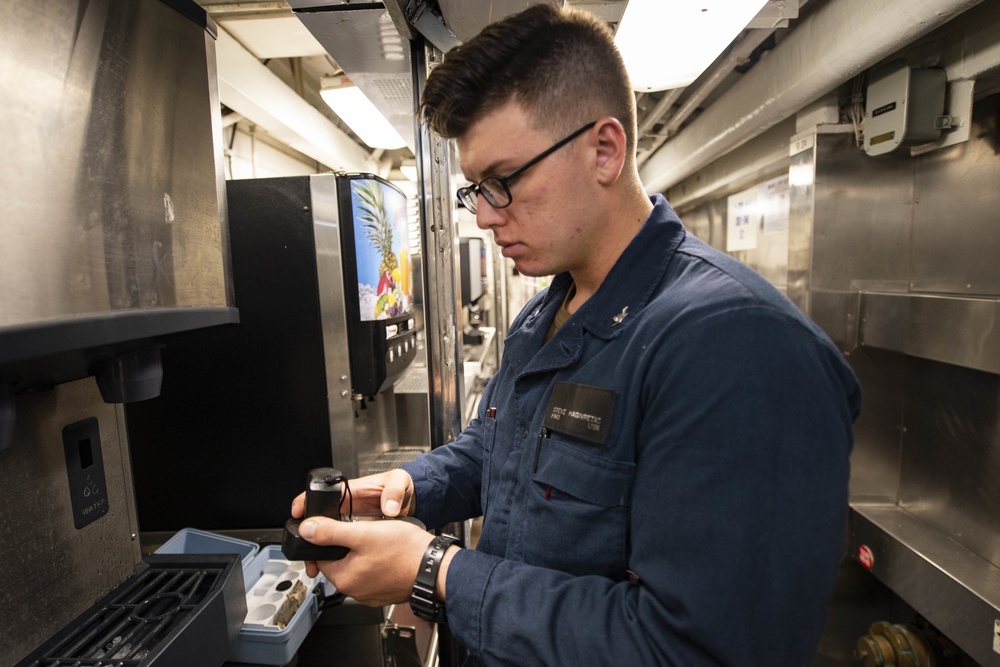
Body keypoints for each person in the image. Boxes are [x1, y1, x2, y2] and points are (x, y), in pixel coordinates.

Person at [291, 4, 861, 665]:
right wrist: (411, 486)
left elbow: (698, 648)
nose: (482, 216)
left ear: (604, 149)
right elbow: (502, 449)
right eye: (474, 189)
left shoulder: (736, 347)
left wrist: (438, 569)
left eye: (502, 181)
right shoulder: (546, 315)